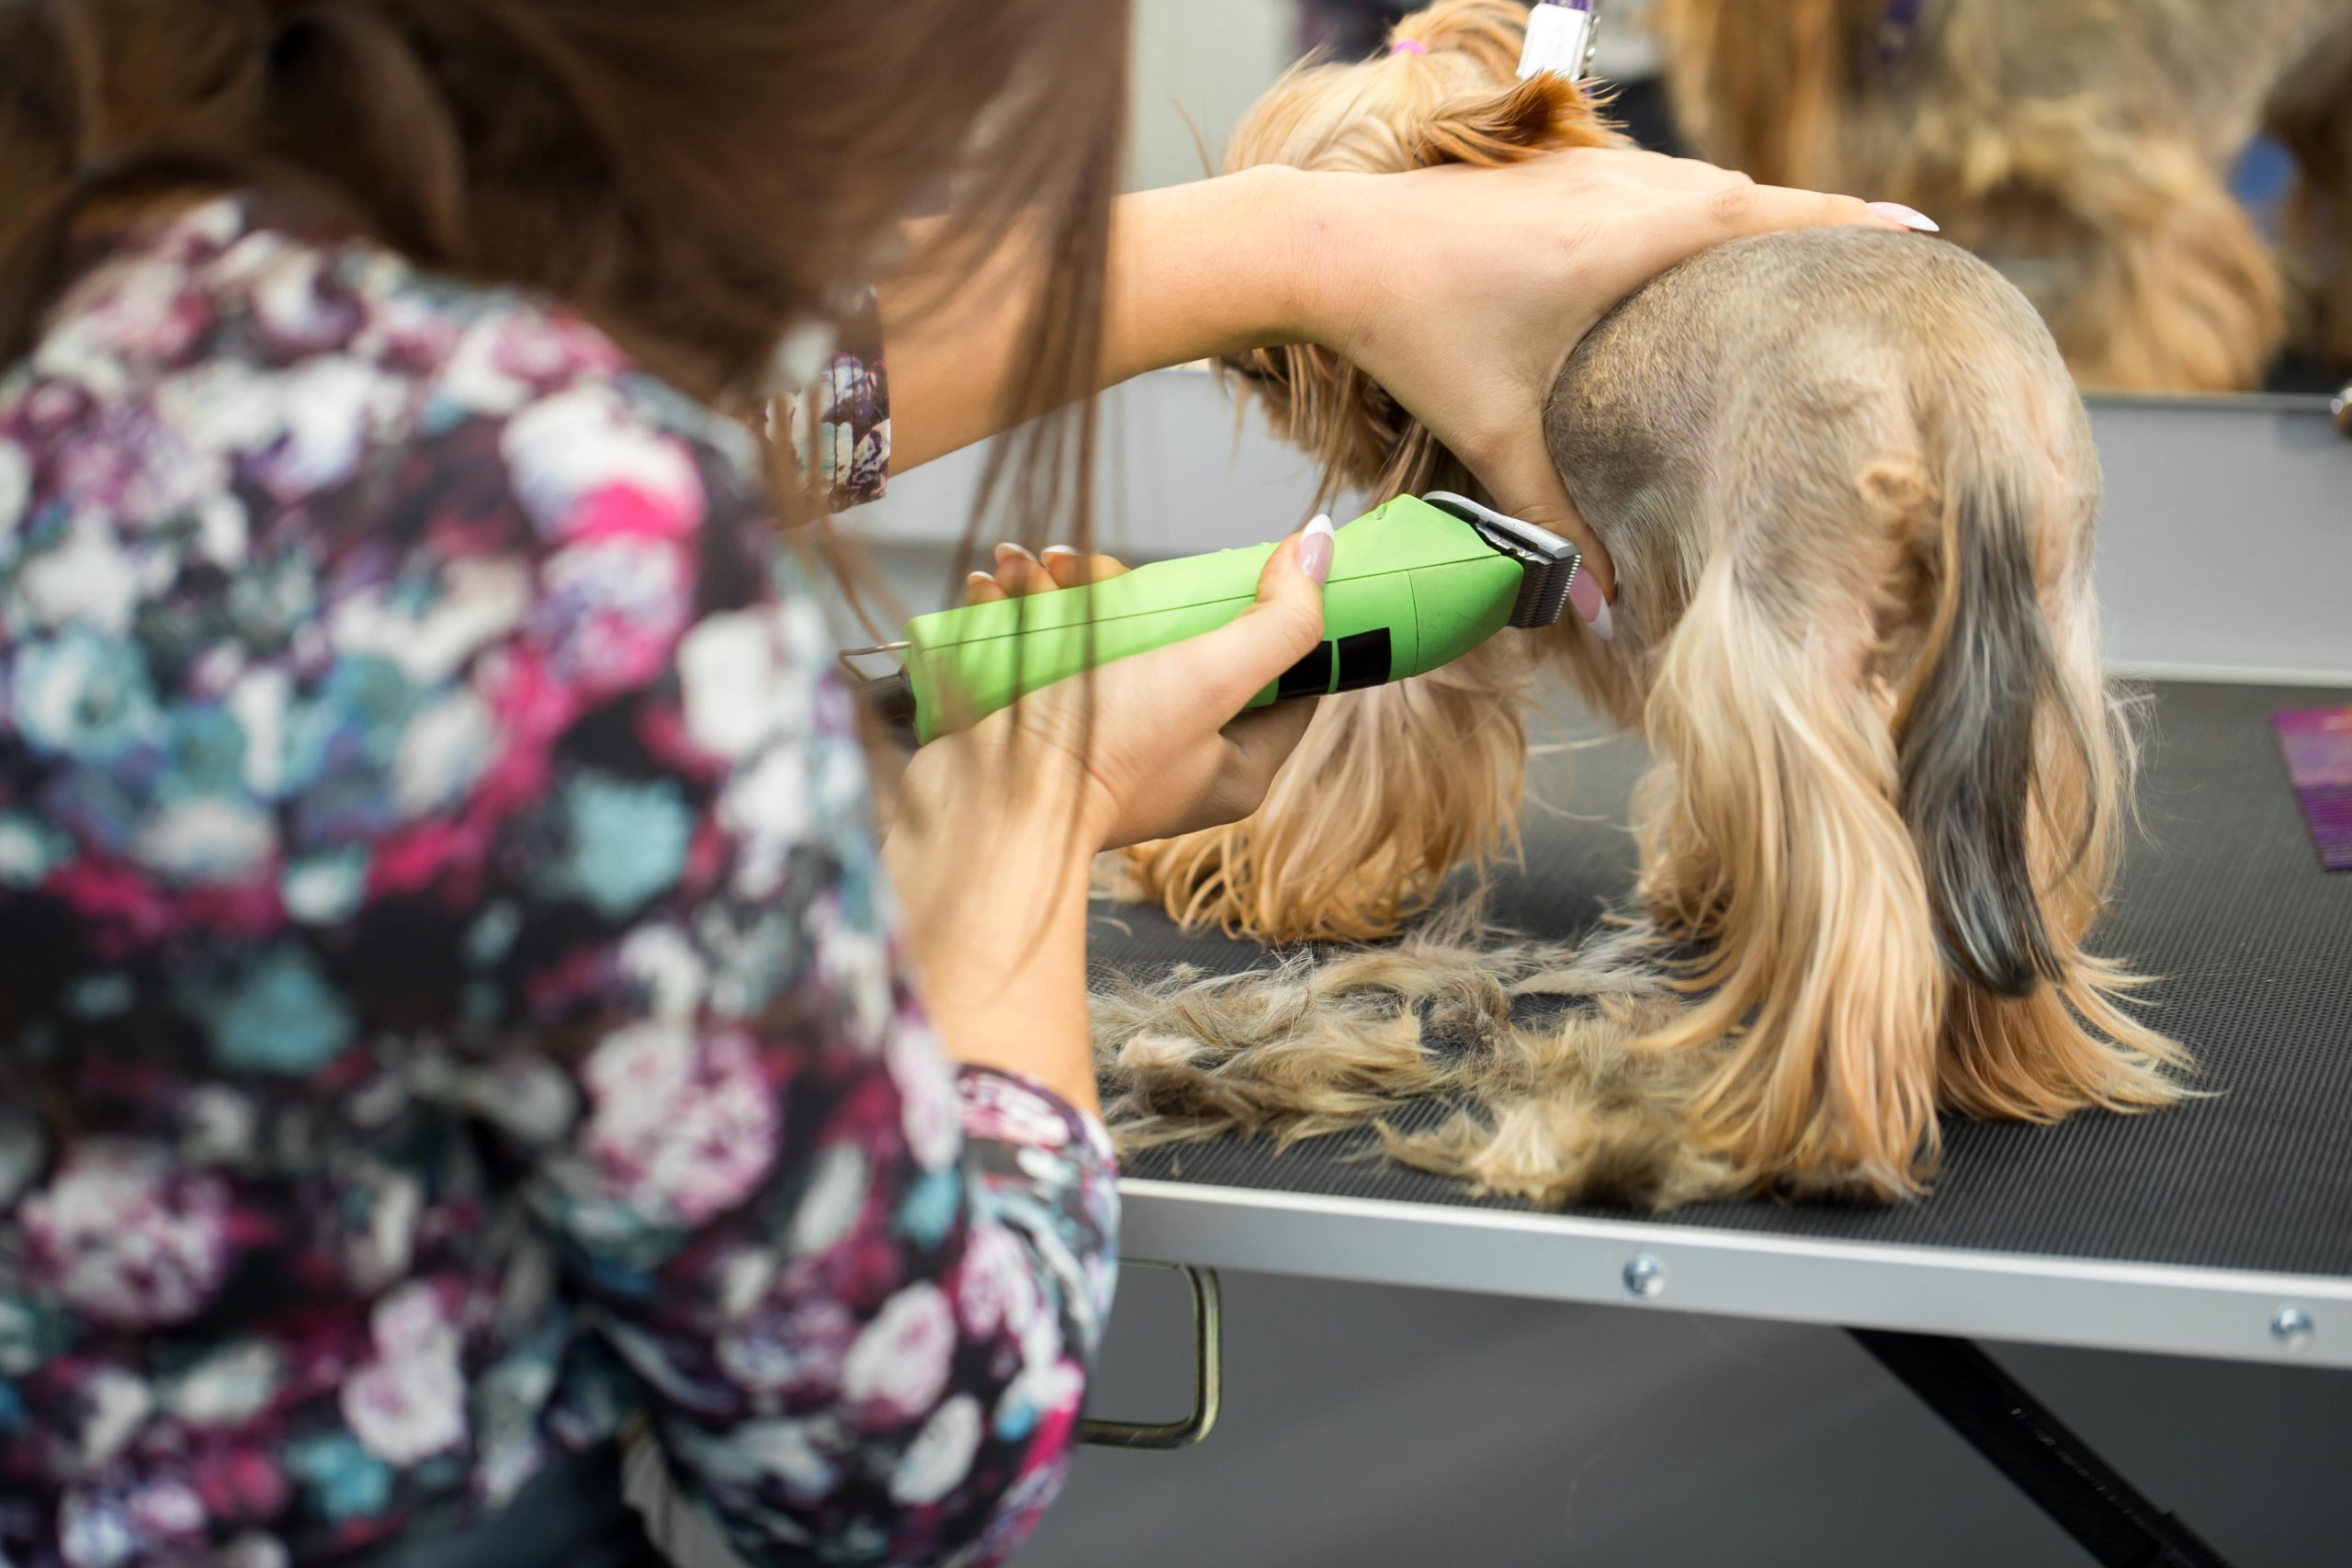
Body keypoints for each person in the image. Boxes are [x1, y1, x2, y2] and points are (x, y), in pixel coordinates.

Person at [0, 3, 1914, 1564]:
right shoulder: (551, 524)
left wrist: (1306, 246)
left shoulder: (125, 342)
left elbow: (655, 470)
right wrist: (1028, 834)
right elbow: (879, 1463)